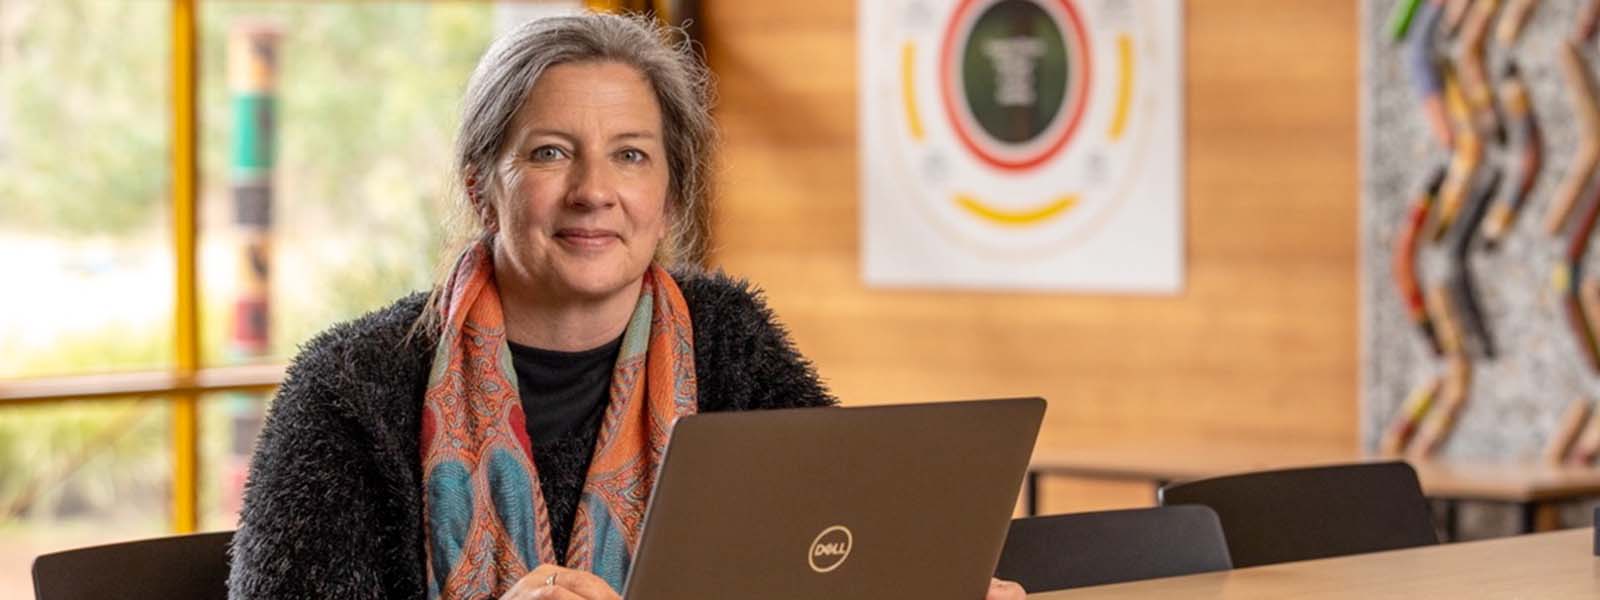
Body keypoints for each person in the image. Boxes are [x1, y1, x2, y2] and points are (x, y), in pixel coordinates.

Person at [226, 12, 1025, 600]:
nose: (594, 191)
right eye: (550, 153)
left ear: (669, 195)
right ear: (481, 187)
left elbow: (840, 559)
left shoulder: (729, 344)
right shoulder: (351, 387)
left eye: (631, 156)